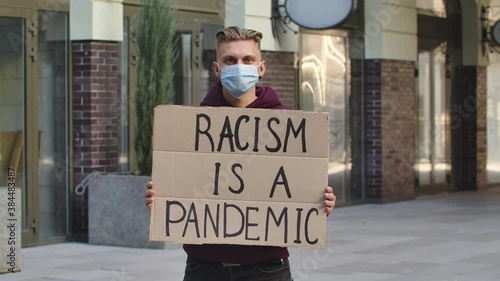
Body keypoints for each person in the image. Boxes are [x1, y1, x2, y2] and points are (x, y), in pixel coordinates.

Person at [144, 26, 336, 281]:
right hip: (204, 267)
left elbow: (296, 190)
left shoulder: (288, 125)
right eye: (230, 60)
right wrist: (162, 197)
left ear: (261, 67)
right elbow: (185, 185)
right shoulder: (192, 127)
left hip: (266, 268)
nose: (239, 66)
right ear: (217, 68)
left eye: (247, 60)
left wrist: (319, 201)